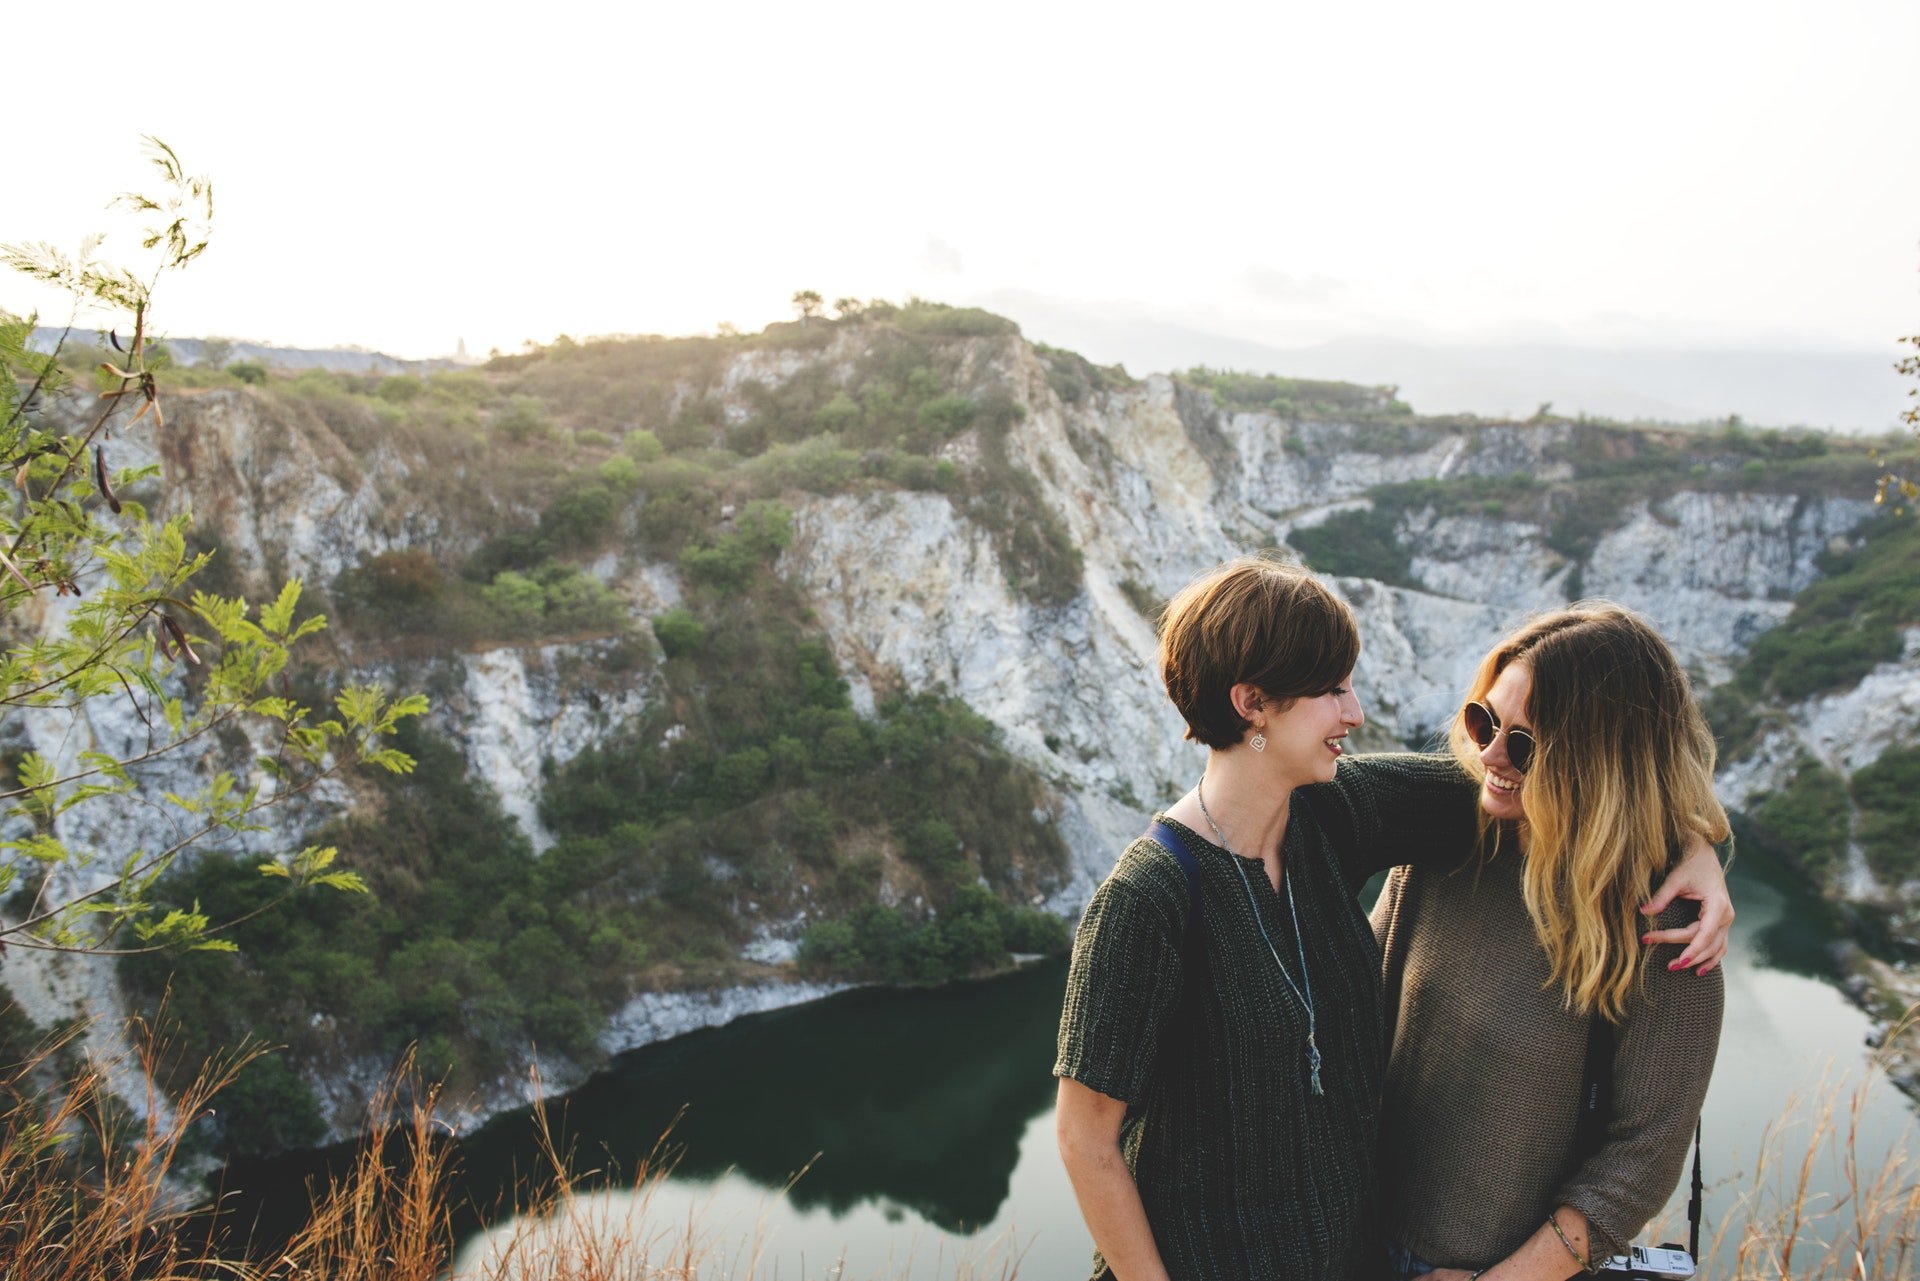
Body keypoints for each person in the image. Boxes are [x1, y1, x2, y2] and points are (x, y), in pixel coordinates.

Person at [1053, 560, 1729, 1281]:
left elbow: (1591, 794)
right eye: (1484, 722)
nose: (1355, 713)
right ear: (1252, 703)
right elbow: (1085, 1137)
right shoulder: (1157, 893)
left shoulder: (1332, 819)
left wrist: (1695, 844)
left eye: (1523, 742)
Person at [1371, 604, 1730, 1281]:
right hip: (1355, 1241)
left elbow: (1640, 1161)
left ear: (1598, 757)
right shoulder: (1450, 837)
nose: (1490, 755)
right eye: (1485, 721)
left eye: (1524, 744)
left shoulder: (1666, 925)